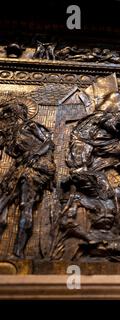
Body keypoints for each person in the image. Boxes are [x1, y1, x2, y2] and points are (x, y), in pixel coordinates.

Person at [0, 102, 55, 258]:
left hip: (38, 166)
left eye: (7, 116)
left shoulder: (29, 126)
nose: (5, 120)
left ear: (16, 115)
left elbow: (49, 142)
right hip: (21, 166)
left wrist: (36, 154)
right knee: (3, 201)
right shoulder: (9, 135)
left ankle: (18, 252)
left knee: (26, 205)